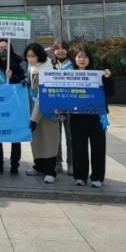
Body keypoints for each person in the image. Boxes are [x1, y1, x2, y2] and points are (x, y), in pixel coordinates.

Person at [70, 48, 115, 188]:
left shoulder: (98, 74)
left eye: (85, 57)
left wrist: (108, 78)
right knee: (78, 147)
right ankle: (80, 176)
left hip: (96, 116)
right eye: (79, 56)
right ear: (75, 59)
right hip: (77, 117)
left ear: (90, 59)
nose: (82, 59)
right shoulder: (69, 75)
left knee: (98, 147)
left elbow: (110, 93)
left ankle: (97, 177)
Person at [24, 43, 61, 184]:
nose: (30, 59)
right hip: (34, 110)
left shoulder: (49, 69)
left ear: (39, 56)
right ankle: (39, 166)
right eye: (28, 56)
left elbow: (42, 96)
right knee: (37, 140)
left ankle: (51, 171)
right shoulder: (31, 68)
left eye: (33, 56)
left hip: (48, 112)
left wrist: (34, 119)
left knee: (49, 141)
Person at [0, 39, 25, 174]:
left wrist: (13, 77)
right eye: (0, 47)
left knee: (15, 136)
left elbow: (22, 81)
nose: (2, 50)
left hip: (13, 104)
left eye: (5, 47)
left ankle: (14, 164)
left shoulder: (17, 62)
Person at [52, 40, 73, 175]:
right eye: (57, 48)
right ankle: (57, 162)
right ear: (53, 51)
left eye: (63, 48)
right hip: (55, 106)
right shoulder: (50, 65)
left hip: (71, 106)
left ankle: (71, 163)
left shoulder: (74, 65)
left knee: (71, 136)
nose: (60, 51)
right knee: (56, 136)